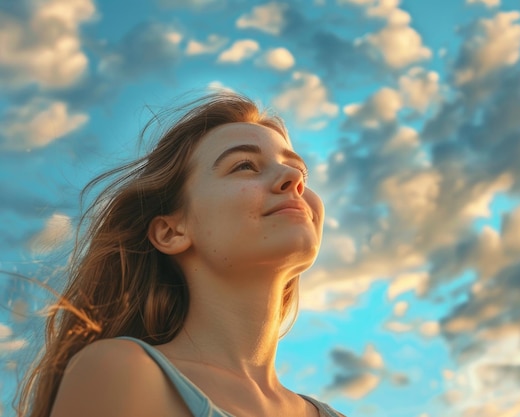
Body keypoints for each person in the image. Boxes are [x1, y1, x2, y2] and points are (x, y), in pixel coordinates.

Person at [17, 91, 346, 417]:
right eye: (244, 165)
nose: (293, 180)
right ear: (171, 232)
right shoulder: (121, 372)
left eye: (299, 171)